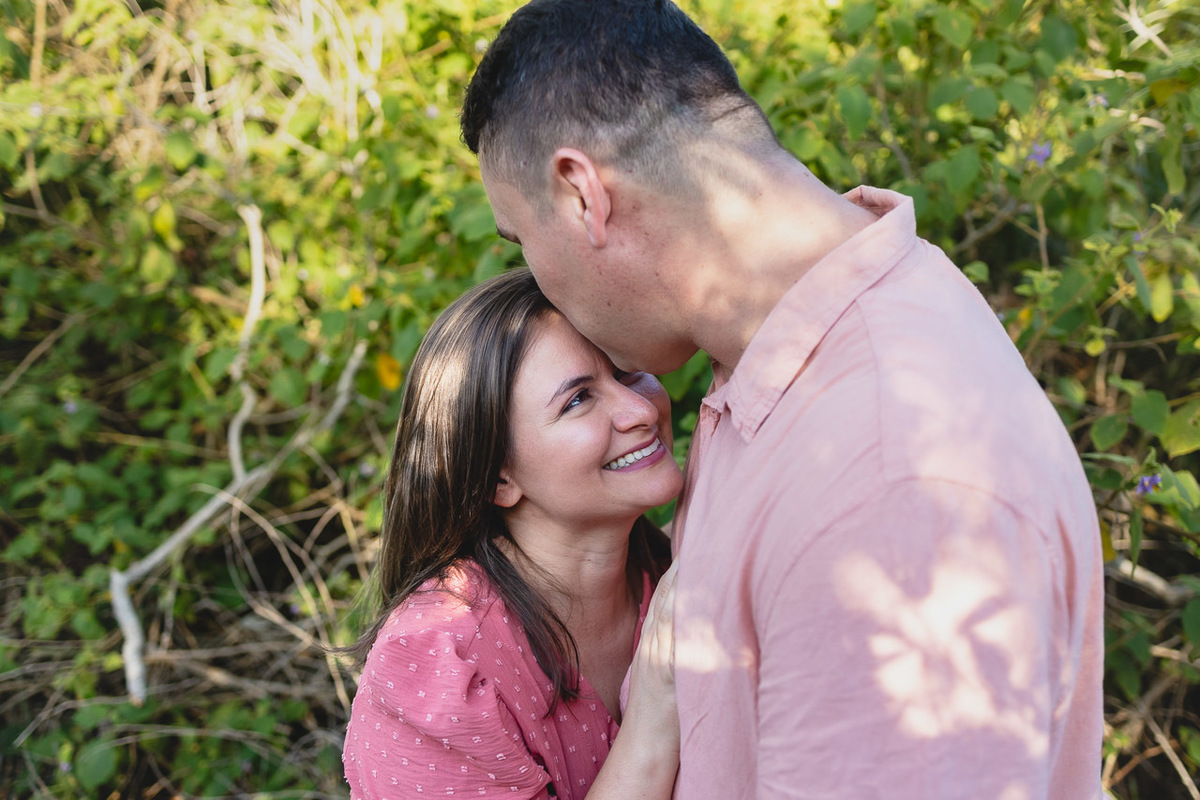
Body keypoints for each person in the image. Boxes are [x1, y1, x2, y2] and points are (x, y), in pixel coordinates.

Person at [460, 1, 1105, 798]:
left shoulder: (887, 487)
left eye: (521, 240)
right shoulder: (780, 361)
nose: (535, 278)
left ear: (582, 195)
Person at [342, 268, 684, 799]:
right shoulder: (439, 663)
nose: (641, 411)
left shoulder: (676, 560)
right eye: (578, 400)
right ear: (498, 479)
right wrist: (656, 711)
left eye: (627, 372)